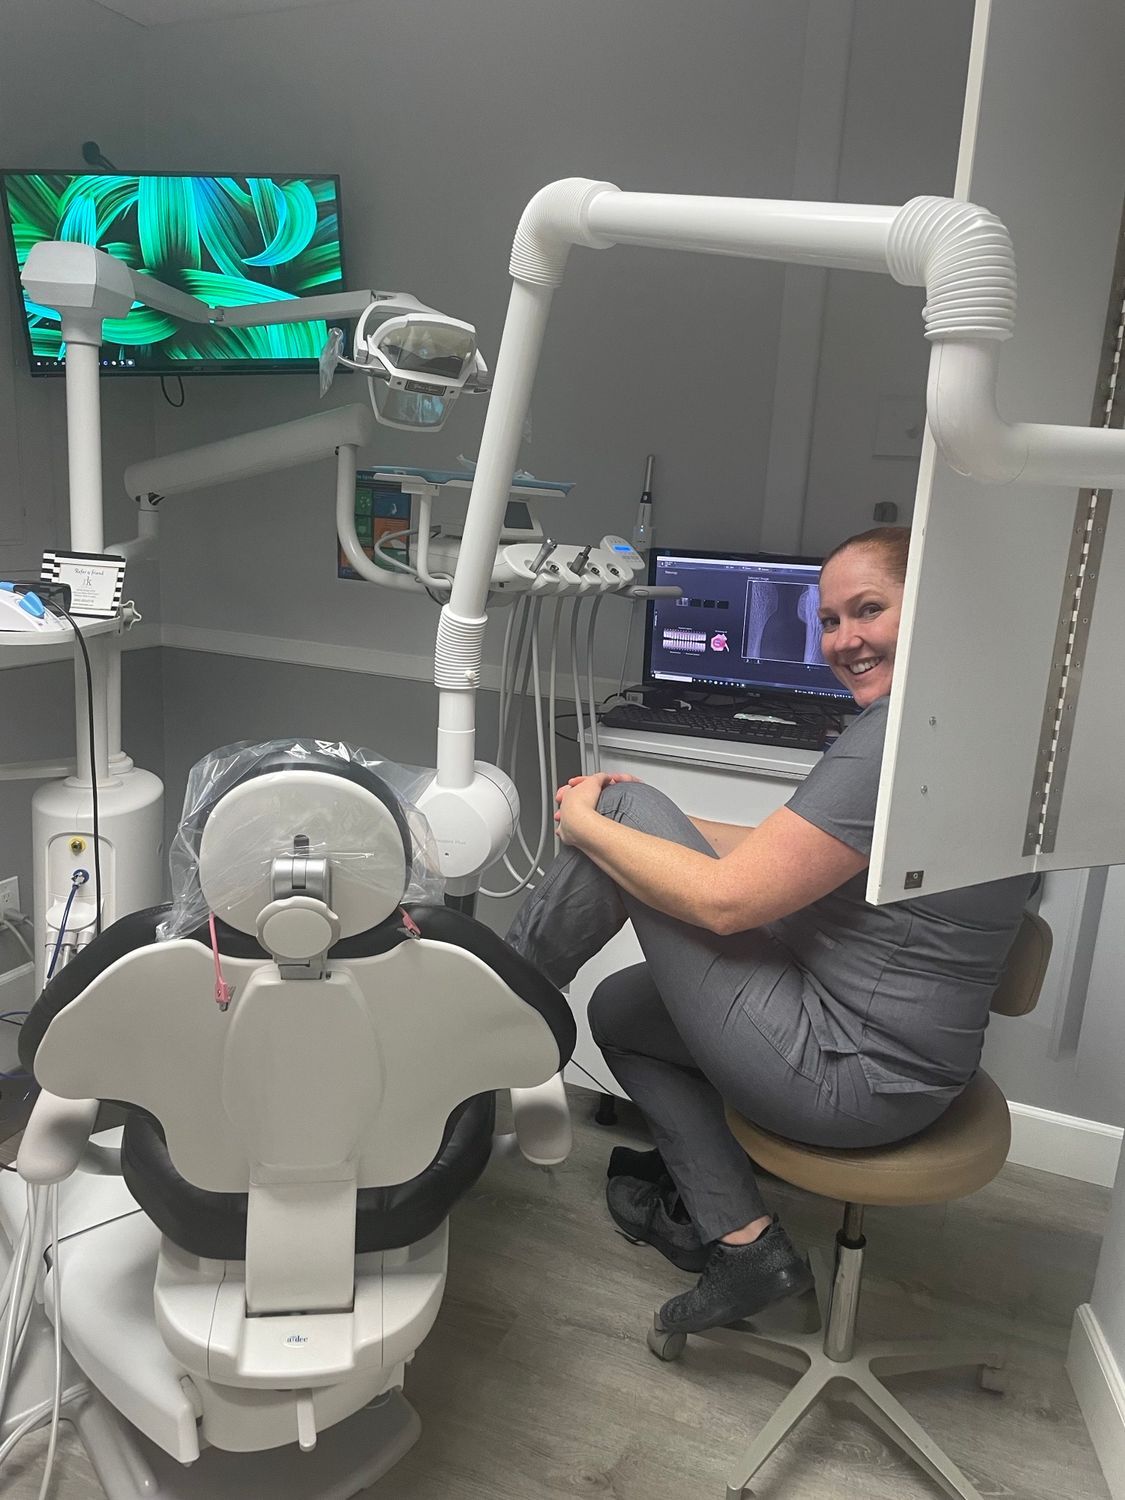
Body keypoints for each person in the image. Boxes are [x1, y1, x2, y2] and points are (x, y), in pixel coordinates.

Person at [506, 526, 1035, 1336]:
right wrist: (653, 825)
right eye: (827, 621)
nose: (843, 641)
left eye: (867, 610)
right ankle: (745, 1244)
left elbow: (726, 902)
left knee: (616, 811)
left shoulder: (896, 740)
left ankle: (489, 1019)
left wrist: (591, 824)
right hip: (909, 1070)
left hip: (848, 1074)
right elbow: (786, 862)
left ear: (932, 611)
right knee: (622, 1014)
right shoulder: (969, 728)